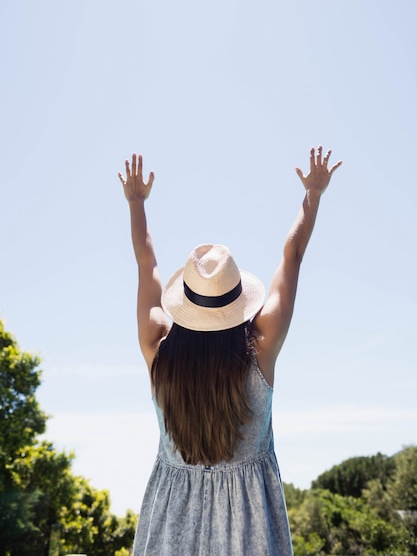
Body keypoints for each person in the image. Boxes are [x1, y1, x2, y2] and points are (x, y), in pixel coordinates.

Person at [118, 146, 342, 556]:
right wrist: (312, 196)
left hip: (172, 519)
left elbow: (145, 262)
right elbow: (292, 256)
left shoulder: (157, 349)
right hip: (249, 523)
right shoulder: (261, 348)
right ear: (238, 301)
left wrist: (136, 203)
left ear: (183, 302)